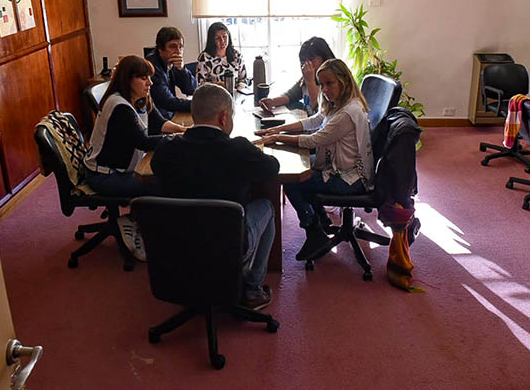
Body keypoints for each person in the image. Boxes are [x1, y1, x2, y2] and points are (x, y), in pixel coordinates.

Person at [152, 84, 279, 310]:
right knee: (267, 207)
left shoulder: (166, 149)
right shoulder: (239, 149)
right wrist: (254, 151)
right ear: (223, 117)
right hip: (228, 245)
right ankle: (251, 289)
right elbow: (272, 168)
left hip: (176, 243)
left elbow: (156, 171)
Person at [256, 59, 373, 260]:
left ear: (344, 80)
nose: (325, 89)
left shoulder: (348, 112)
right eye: (322, 84)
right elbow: (315, 120)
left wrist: (276, 137)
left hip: (349, 179)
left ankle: (313, 230)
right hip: (340, 166)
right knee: (298, 166)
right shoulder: (341, 103)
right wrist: (278, 128)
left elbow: (314, 140)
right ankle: (321, 219)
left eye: (330, 83)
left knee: (292, 179)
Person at [84, 55, 187, 260]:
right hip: (104, 175)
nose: (150, 82)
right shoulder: (120, 106)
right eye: (143, 78)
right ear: (127, 80)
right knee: (160, 184)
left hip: (119, 169)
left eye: (149, 77)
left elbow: (159, 123)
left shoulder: (139, 98)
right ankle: (133, 221)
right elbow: (143, 141)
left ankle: (140, 221)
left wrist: (184, 130)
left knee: (165, 177)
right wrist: (180, 140)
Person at [259, 36, 335, 115]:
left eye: (311, 59)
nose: (306, 65)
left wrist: (310, 82)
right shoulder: (305, 79)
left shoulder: (333, 82)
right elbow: (290, 96)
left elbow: (320, 111)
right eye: (303, 61)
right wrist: (272, 102)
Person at [145, 26, 198, 120]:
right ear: (160, 49)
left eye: (180, 47)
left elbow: (191, 90)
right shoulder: (151, 67)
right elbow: (167, 102)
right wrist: (200, 104)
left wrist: (182, 69)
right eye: (173, 47)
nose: (178, 51)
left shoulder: (172, 62)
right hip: (158, 121)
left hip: (170, 116)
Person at [195, 22, 248, 87]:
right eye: (217, 38)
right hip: (213, 94)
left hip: (235, 93)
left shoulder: (236, 55)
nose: (222, 40)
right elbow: (199, 83)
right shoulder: (205, 57)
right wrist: (217, 85)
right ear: (212, 40)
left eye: (224, 36)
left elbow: (243, 79)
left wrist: (239, 88)